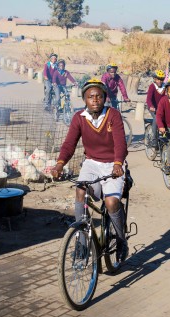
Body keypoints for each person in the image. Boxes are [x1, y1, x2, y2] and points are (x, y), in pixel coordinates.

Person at [51, 79, 130, 262]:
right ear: (85, 99)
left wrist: (118, 163)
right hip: (91, 163)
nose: (95, 100)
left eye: (99, 96)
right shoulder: (79, 117)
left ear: (104, 98)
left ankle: (121, 240)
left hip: (113, 165)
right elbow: (69, 143)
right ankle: (81, 241)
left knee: (111, 203)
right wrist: (60, 164)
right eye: (90, 97)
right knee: (81, 191)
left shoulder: (113, 115)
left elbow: (120, 143)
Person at [145, 69, 166, 148]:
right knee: (156, 119)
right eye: (158, 79)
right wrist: (151, 106)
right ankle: (154, 139)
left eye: (161, 79)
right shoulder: (152, 86)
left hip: (162, 108)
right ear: (155, 79)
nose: (160, 81)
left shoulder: (165, 87)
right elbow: (148, 99)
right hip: (153, 108)